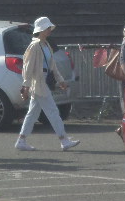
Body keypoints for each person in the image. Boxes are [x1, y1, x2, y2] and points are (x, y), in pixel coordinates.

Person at [15, 16, 80, 151]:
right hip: (38, 83)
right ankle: (63, 140)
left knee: (32, 114)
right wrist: (25, 86)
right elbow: (28, 67)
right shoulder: (34, 46)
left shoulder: (45, 45)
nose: (50, 30)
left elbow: (52, 66)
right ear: (42, 29)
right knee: (52, 111)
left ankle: (21, 140)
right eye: (48, 28)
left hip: (42, 82)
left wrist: (61, 80)